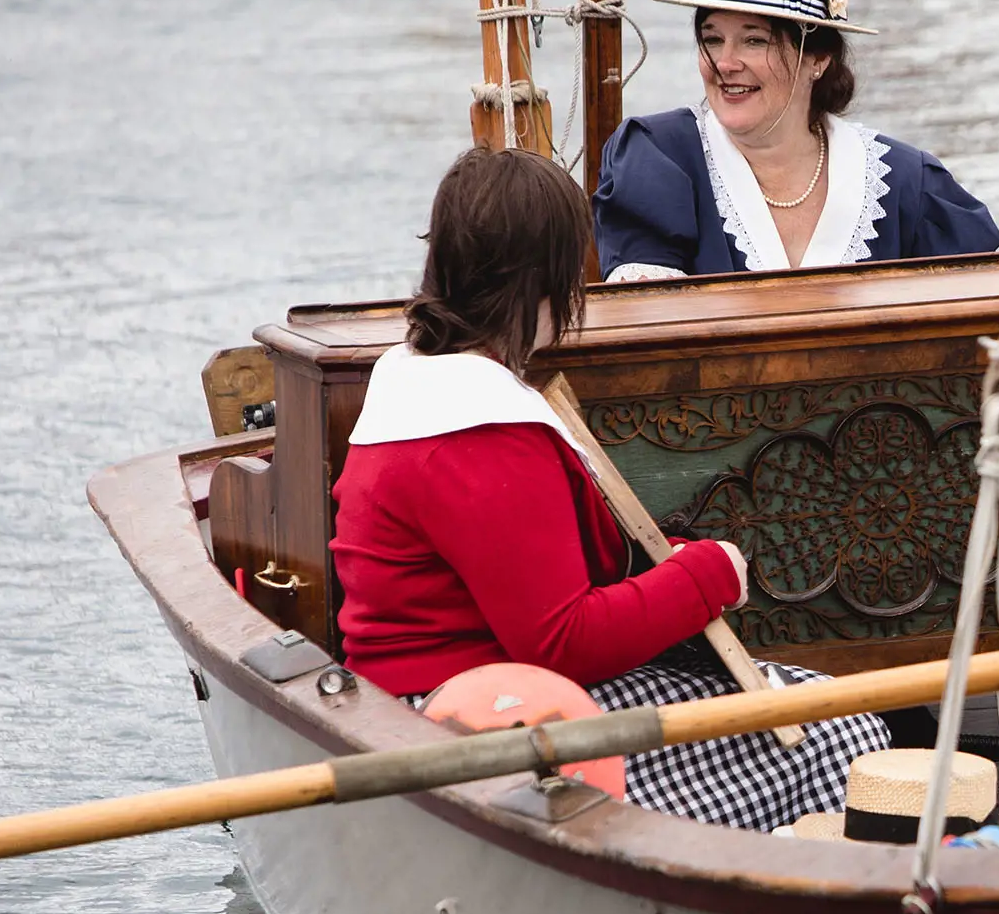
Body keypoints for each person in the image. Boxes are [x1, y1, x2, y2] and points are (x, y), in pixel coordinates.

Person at [335, 145, 888, 833]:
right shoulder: (480, 434)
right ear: (548, 276)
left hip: (422, 699)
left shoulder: (420, 387)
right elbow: (560, 642)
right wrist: (708, 574)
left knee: (817, 709)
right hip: (479, 725)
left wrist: (675, 567)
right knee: (846, 737)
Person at [592, 0, 999, 279]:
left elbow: (991, 323)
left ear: (818, 59)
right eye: (713, 39)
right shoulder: (656, 160)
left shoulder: (905, 183)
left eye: (755, 40)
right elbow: (643, 336)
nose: (726, 63)